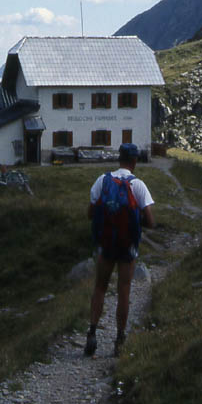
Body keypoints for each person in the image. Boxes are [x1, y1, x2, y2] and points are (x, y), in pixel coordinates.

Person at [84, 142, 154, 357]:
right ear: (134, 161)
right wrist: (134, 221)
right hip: (127, 247)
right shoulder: (138, 185)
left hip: (106, 245)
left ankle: (92, 333)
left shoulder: (102, 181)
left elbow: (90, 213)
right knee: (124, 291)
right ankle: (119, 340)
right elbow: (151, 221)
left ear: (119, 158)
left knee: (100, 288)